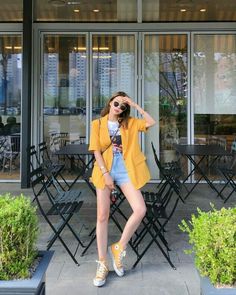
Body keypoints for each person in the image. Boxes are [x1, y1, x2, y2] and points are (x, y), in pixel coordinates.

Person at [89, 91, 156, 287]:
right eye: (116, 103)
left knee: (140, 209)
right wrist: (106, 174)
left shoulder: (129, 123)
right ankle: (102, 263)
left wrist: (135, 105)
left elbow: (151, 122)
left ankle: (119, 247)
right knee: (102, 216)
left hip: (126, 170)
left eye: (122, 106)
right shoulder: (97, 124)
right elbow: (96, 151)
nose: (118, 107)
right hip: (105, 169)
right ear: (110, 102)